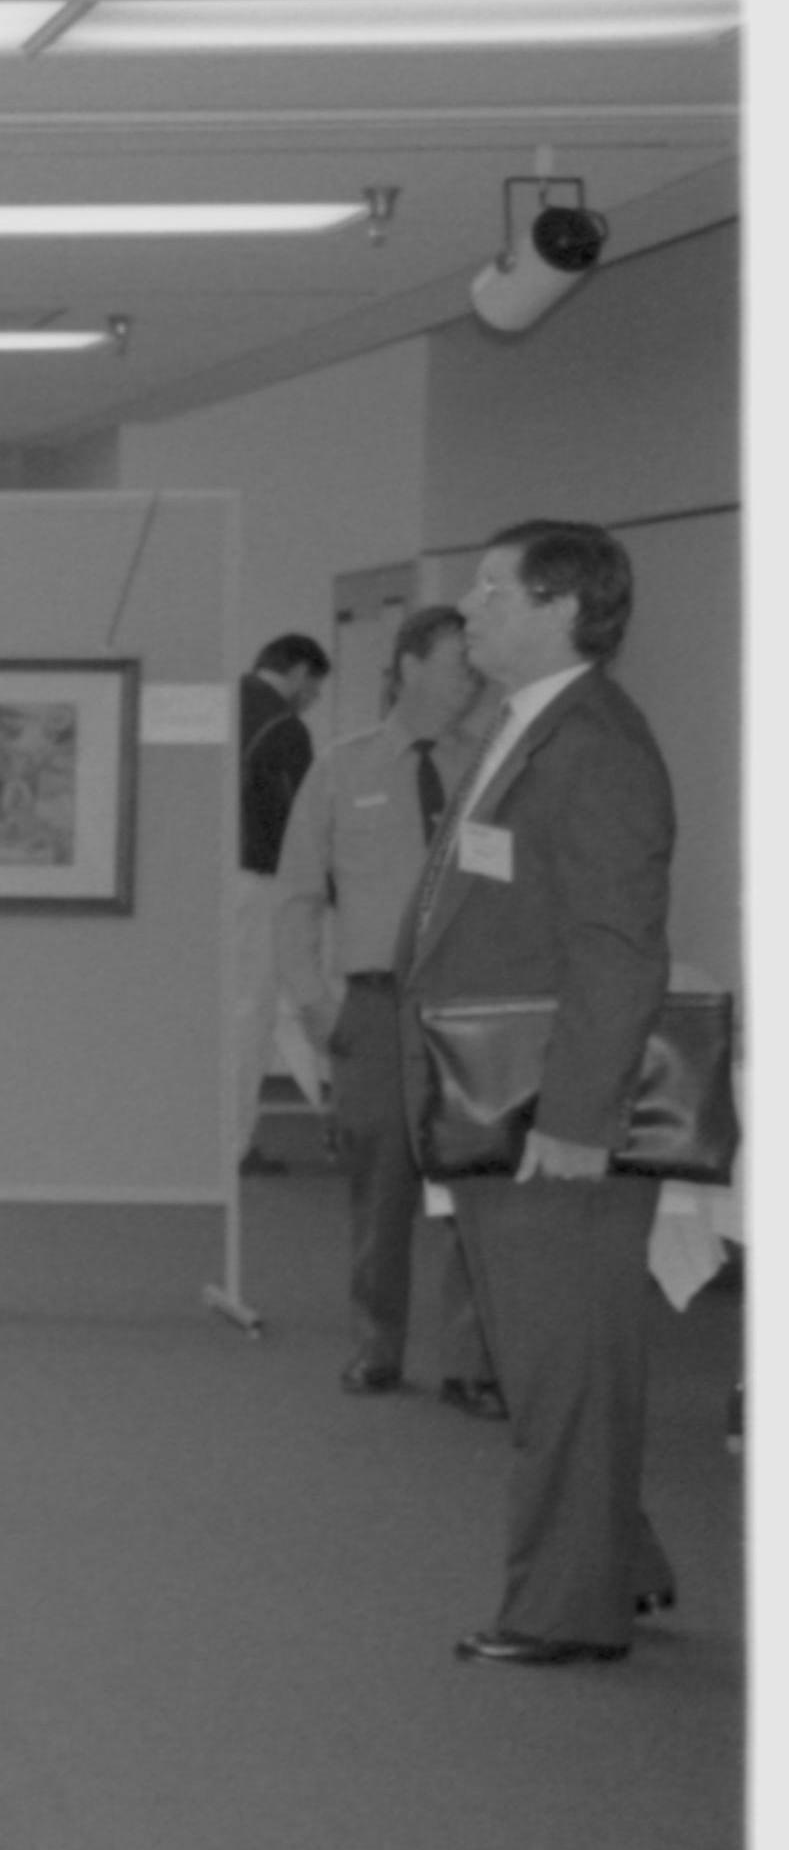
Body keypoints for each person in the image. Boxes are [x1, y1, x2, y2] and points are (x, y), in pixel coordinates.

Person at [402, 521, 675, 1667]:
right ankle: (621, 1565)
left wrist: (572, 1123)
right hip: (490, 1092)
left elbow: (617, 949)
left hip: (544, 1109)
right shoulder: (528, 727)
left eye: (490, 587)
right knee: (549, 1359)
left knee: (559, 1371)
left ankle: (563, 1609)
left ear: (562, 606)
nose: (466, 607)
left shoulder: (594, 742)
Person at [271, 605, 503, 1415]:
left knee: (474, 1185)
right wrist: (312, 1008)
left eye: (473, 668)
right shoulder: (340, 769)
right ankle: (377, 1347)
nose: (467, 679)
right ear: (406, 665)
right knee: (381, 1189)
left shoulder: (492, 770)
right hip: (372, 1011)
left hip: (471, 1011)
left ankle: (473, 1363)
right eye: (453, 664)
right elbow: (295, 899)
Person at [233, 632, 332, 1172]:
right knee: (254, 1011)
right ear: (299, 672)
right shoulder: (285, 728)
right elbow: (301, 823)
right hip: (264, 882)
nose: (312, 698)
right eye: (314, 687)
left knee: (245, 1009)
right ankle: (234, 1143)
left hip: (220, 882)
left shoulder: (226, 705)